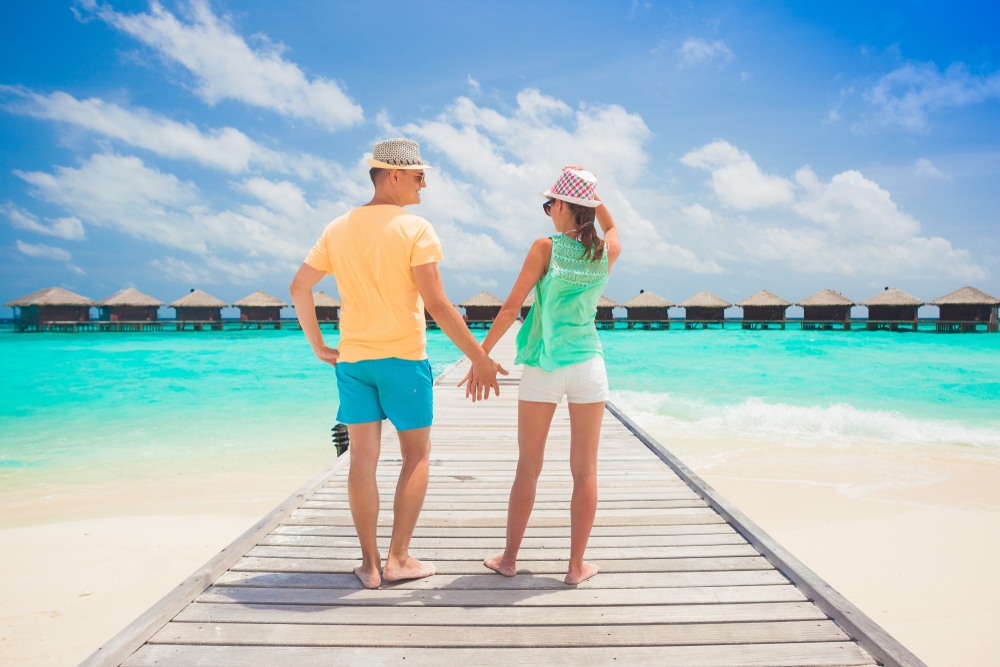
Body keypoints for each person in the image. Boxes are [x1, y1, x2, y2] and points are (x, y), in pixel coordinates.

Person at [290, 138, 506, 590]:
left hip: (353, 363)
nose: (424, 184)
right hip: (404, 361)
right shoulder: (416, 229)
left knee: (362, 461)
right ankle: (398, 559)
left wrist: (318, 346)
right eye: (418, 176)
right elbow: (439, 305)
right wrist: (480, 358)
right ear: (393, 175)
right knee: (417, 455)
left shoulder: (338, 227)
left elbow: (298, 288)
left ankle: (369, 566)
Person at [463, 166, 621, 585]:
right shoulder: (606, 252)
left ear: (567, 206)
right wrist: (591, 195)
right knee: (585, 470)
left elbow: (511, 308)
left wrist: (480, 355)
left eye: (551, 202)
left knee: (528, 467)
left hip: (543, 365)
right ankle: (574, 568)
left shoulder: (544, 247)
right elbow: (613, 226)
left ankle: (509, 559)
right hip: (589, 366)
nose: (548, 209)